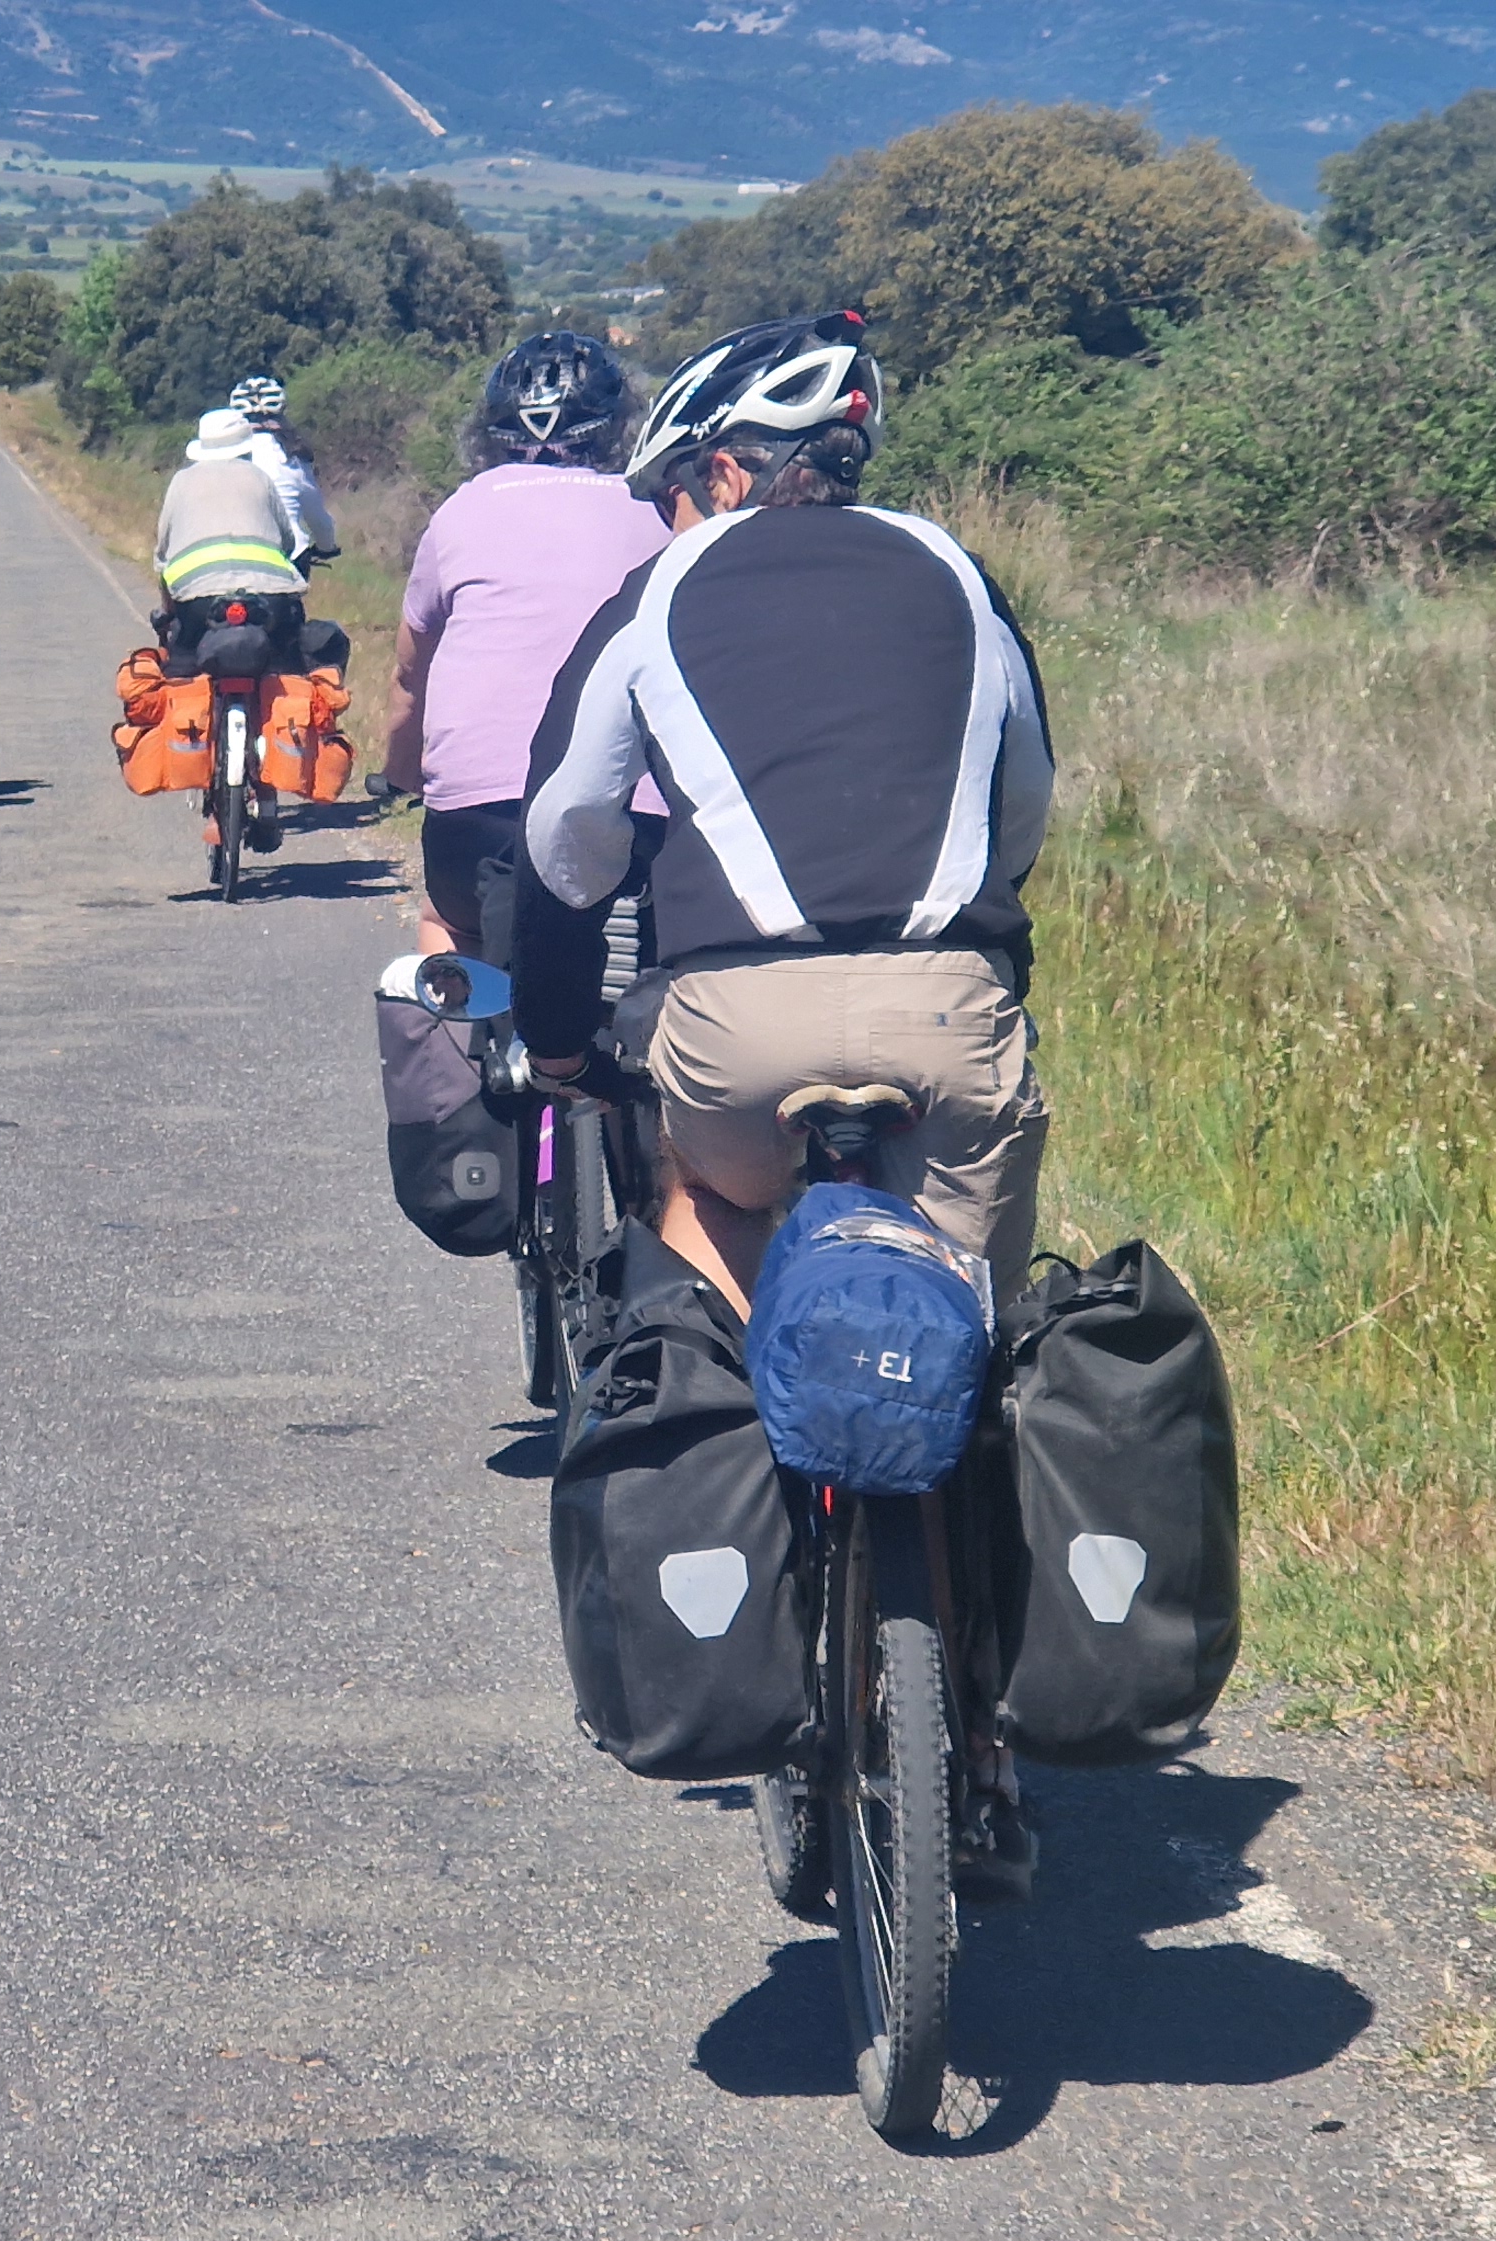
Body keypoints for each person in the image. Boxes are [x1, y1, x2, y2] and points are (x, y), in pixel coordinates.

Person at [511, 307, 1054, 1886]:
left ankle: (760, 1553)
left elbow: (568, 842)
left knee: (700, 1209)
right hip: (950, 1014)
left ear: (730, 471)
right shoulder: (957, 569)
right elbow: (1021, 806)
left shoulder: (663, 590)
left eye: (678, 487)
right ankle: (986, 1738)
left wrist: (562, 1037)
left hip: (738, 1031)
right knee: (978, 1333)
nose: (672, 517)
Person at [383, 333, 670, 960]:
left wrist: (401, 773)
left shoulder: (460, 511)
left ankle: (454, 1018)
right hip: (636, 812)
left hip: (482, 816)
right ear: (622, 426)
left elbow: (411, 674)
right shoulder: (661, 513)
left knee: (446, 921)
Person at [154, 405, 342, 856]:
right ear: (244, 448)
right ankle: (274, 779)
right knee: (280, 676)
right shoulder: (258, 478)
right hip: (268, 597)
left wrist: (170, 611)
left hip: (198, 601)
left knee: (187, 675)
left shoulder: (181, 482)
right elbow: (286, 541)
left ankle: (203, 766)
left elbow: (163, 555)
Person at [226, 371, 330, 554]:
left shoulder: (226, 458)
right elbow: (318, 518)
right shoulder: (290, 456)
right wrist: (327, 546)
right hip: (288, 553)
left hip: (238, 554)